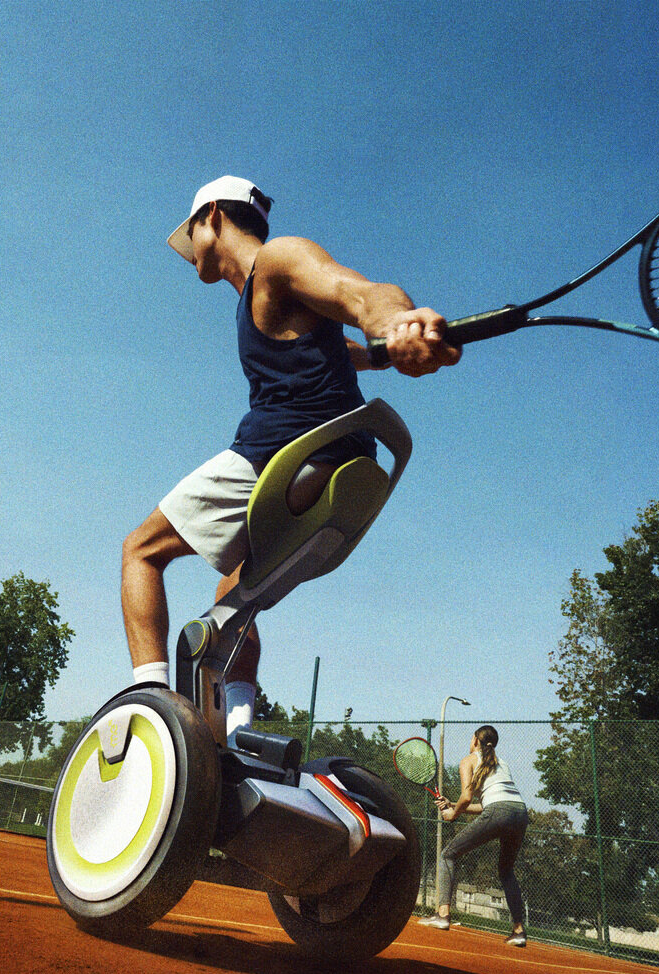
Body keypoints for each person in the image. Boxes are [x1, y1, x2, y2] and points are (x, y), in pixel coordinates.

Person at [123, 176, 459, 740]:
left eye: (191, 236)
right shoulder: (269, 303)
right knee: (231, 598)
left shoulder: (277, 260)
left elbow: (358, 292)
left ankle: (150, 709)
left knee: (140, 550)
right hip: (350, 467)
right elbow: (348, 349)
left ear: (212, 217)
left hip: (287, 452)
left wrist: (396, 318)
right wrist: (386, 348)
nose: (190, 255)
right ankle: (238, 733)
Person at [420, 725, 530, 946]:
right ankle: (518, 931)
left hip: (500, 811)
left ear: (475, 741)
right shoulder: (502, 763)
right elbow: (489, 804)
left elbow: (468, 797)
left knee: (448, 855)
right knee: (506, 871)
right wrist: (453, 805)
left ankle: (443, 915)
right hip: (520, 813)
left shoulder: (468, 760)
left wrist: (452, 814)